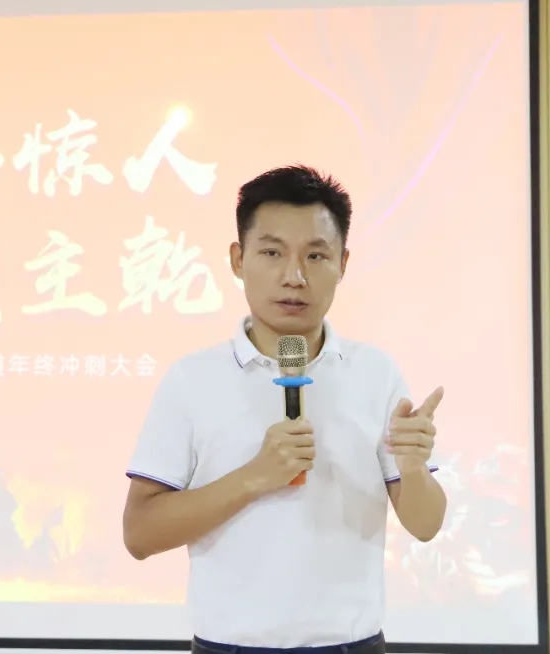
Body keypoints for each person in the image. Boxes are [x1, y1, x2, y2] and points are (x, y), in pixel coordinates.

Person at [122, 165, 447, 653]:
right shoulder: (192, 380)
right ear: (238, 259)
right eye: (272, 252)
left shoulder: (376, 374)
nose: (294, 277)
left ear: (343, 263)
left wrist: (414, 468)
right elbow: (140, 534)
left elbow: (425, 525)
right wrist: (255, 476)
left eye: (316, 255)